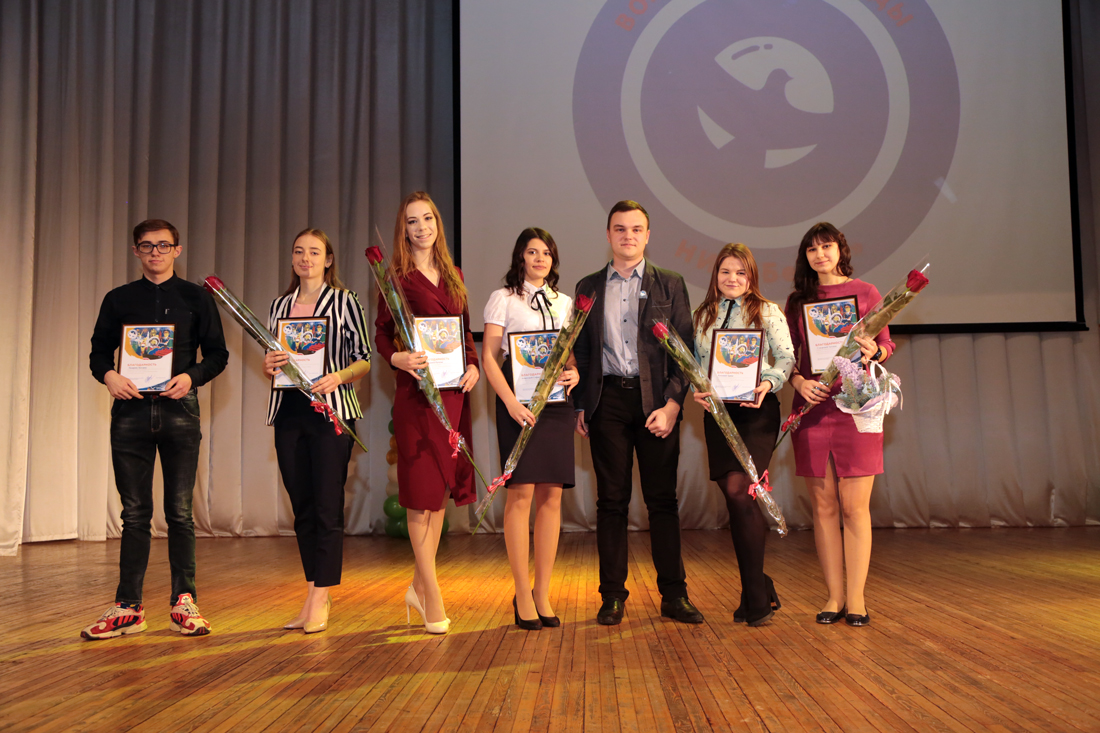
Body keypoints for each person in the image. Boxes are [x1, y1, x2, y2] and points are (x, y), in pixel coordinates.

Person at [84, 219, 228, 640]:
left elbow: (217, 355)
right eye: (147, 246)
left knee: (180, 513)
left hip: (180, 410)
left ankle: (184, 603)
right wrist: (109, 376)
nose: (155, 253)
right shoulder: (118, 299)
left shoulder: (196, 298)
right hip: (129, 414)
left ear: (177, 251)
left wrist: (191, 377)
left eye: (163, 246)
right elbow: (97, 353)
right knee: (134, 514)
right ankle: (129, 607)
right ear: (136, 251)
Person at [574, 200, 702, 626]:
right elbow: (583, 351)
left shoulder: (670, 284)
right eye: (619, 228)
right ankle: (612, 596)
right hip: (607, 402)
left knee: (662, 501)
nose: (627, 236)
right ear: (608, 235)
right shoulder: (588, 287)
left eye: (636, 229)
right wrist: (581, 405)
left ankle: (675, 595)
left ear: (648, 235)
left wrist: (673, 404)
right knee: (611, 502)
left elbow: (685, 352)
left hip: (656, 404)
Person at [374, 191, 480, 635]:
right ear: (403, 230)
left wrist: (473, 365)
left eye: (428, 219)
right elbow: (382, 334)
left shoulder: (454, 275)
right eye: (412, 221)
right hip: (416, 398)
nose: (421, 228)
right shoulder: (395, 278)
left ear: (438, 223)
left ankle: (419, 586)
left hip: (453, 396)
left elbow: (465, 332)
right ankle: (432, 594)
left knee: (437, 496)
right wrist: (397, 359)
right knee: (419, 494)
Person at [785, 222, 895, 627]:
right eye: (812, 249)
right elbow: (787, 356)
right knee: (824, 507)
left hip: (857, 407)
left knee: (854, 507)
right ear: (806, 257)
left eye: (826, 246)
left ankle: (857, 599)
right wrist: (799, 382)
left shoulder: (866, 293)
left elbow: (886, 344)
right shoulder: (798, 301)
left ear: (840, 250)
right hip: (813, 409)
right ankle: (833, 596)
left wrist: (874, 352)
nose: (820, 255)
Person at [262, 228, 371, 634]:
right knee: (302, 508)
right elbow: (273, 358)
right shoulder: (279, 306)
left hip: (331, 412)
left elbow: (364, 359)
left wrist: (338, 377)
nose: (305, 258)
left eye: (314, 252)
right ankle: (312, 593)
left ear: (328, 260)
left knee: (327, 506)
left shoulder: (345, 301)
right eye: (298, 251)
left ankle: (322, 597)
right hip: (288, 412)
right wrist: (269, 365)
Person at [690, 243, 794, 626]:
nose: (732, 279)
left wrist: (768, 383)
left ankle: (756, 598)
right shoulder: (702, 315)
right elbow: (695, 365)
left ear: (751, 277)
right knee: (736, 502)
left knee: (741, 490)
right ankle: (758, 586)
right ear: (715, 275)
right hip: (718, 415)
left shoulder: (768, 311)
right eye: (725, 272)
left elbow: (786, 357)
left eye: (740, 272)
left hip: (757, 412)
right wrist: (696, 389)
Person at [482, 228, 579, 630]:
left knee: (551, 497)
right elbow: (489, 357)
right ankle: (522, 592)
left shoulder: (566, 302)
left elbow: (568, 355)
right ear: (520, 257)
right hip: (516, 402)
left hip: (556, 405)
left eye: (546, 253)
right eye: (532, 252)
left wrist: (574, 373)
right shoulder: (503, 298)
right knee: (520, 494)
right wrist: (510, 402)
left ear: (553, 260)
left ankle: (543, 592)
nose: (540, 258)